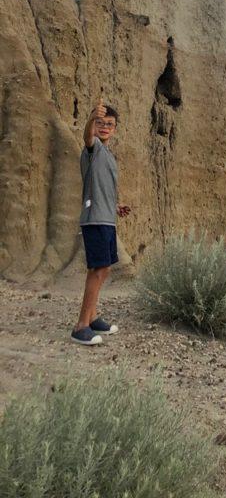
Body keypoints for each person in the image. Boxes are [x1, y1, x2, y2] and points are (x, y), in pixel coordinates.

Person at [71, 100, 131, 345]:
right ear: (93, 126)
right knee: (98, 270)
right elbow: (86, 136)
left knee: (103, 269)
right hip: (94, 218)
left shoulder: (108, 155)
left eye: (109, 124)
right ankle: (81, 326)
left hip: (107, 218)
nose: (104, 127)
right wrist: (91, 120)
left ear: (115, 129)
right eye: (100, 123)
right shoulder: (92, 147)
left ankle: (93, 318)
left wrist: (116, 206)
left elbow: (102, 188)